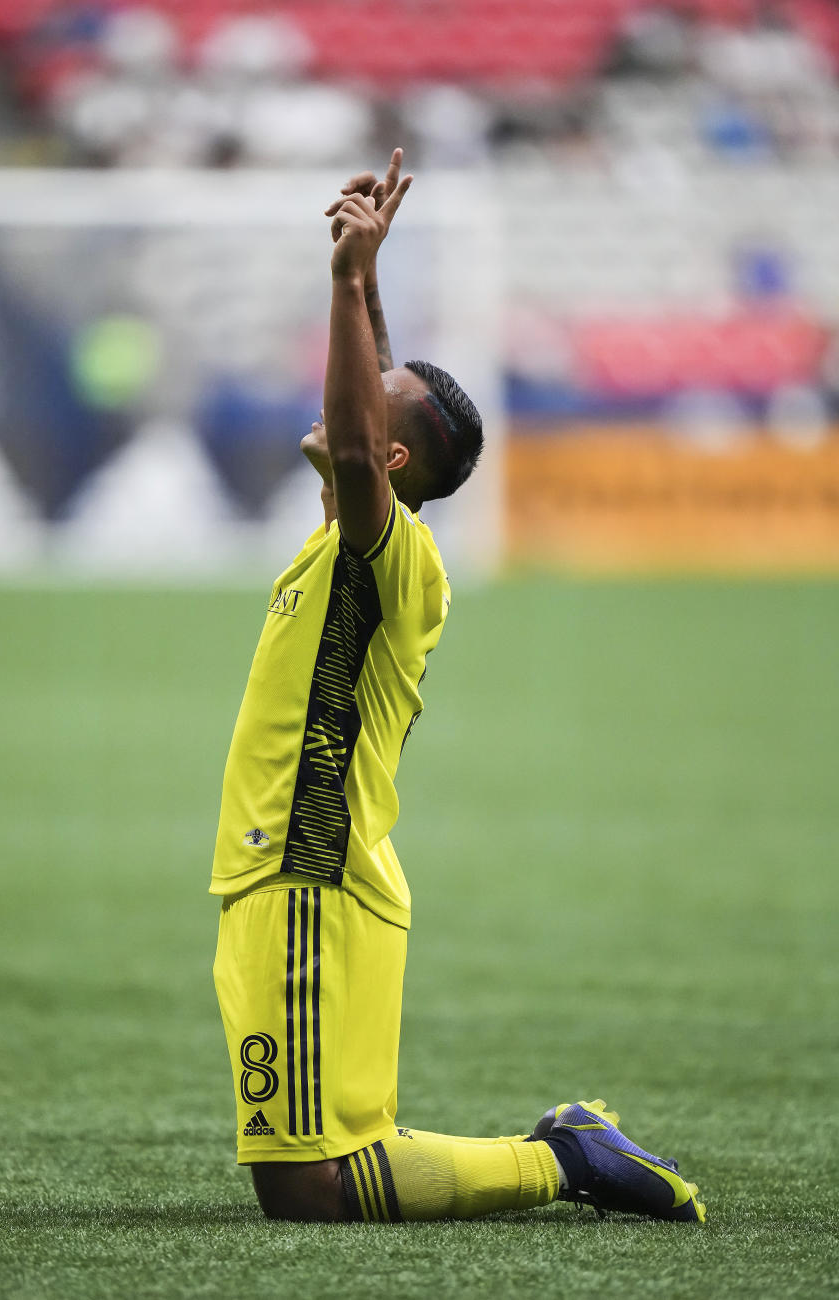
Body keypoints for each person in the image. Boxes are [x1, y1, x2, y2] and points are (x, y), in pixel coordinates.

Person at [210, 148, 705, 1225]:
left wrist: (342, 284)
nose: (337, 405)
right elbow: (370, 423)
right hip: (313, 875)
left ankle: (563, 1162)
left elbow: (356, 434)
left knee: (309, 1189)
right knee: (318, 1173)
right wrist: (370, 286)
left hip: (311, 875)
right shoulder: (368, 540)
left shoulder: (383, 549)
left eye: (367, 419)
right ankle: (565, 1156)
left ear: (384, 464)